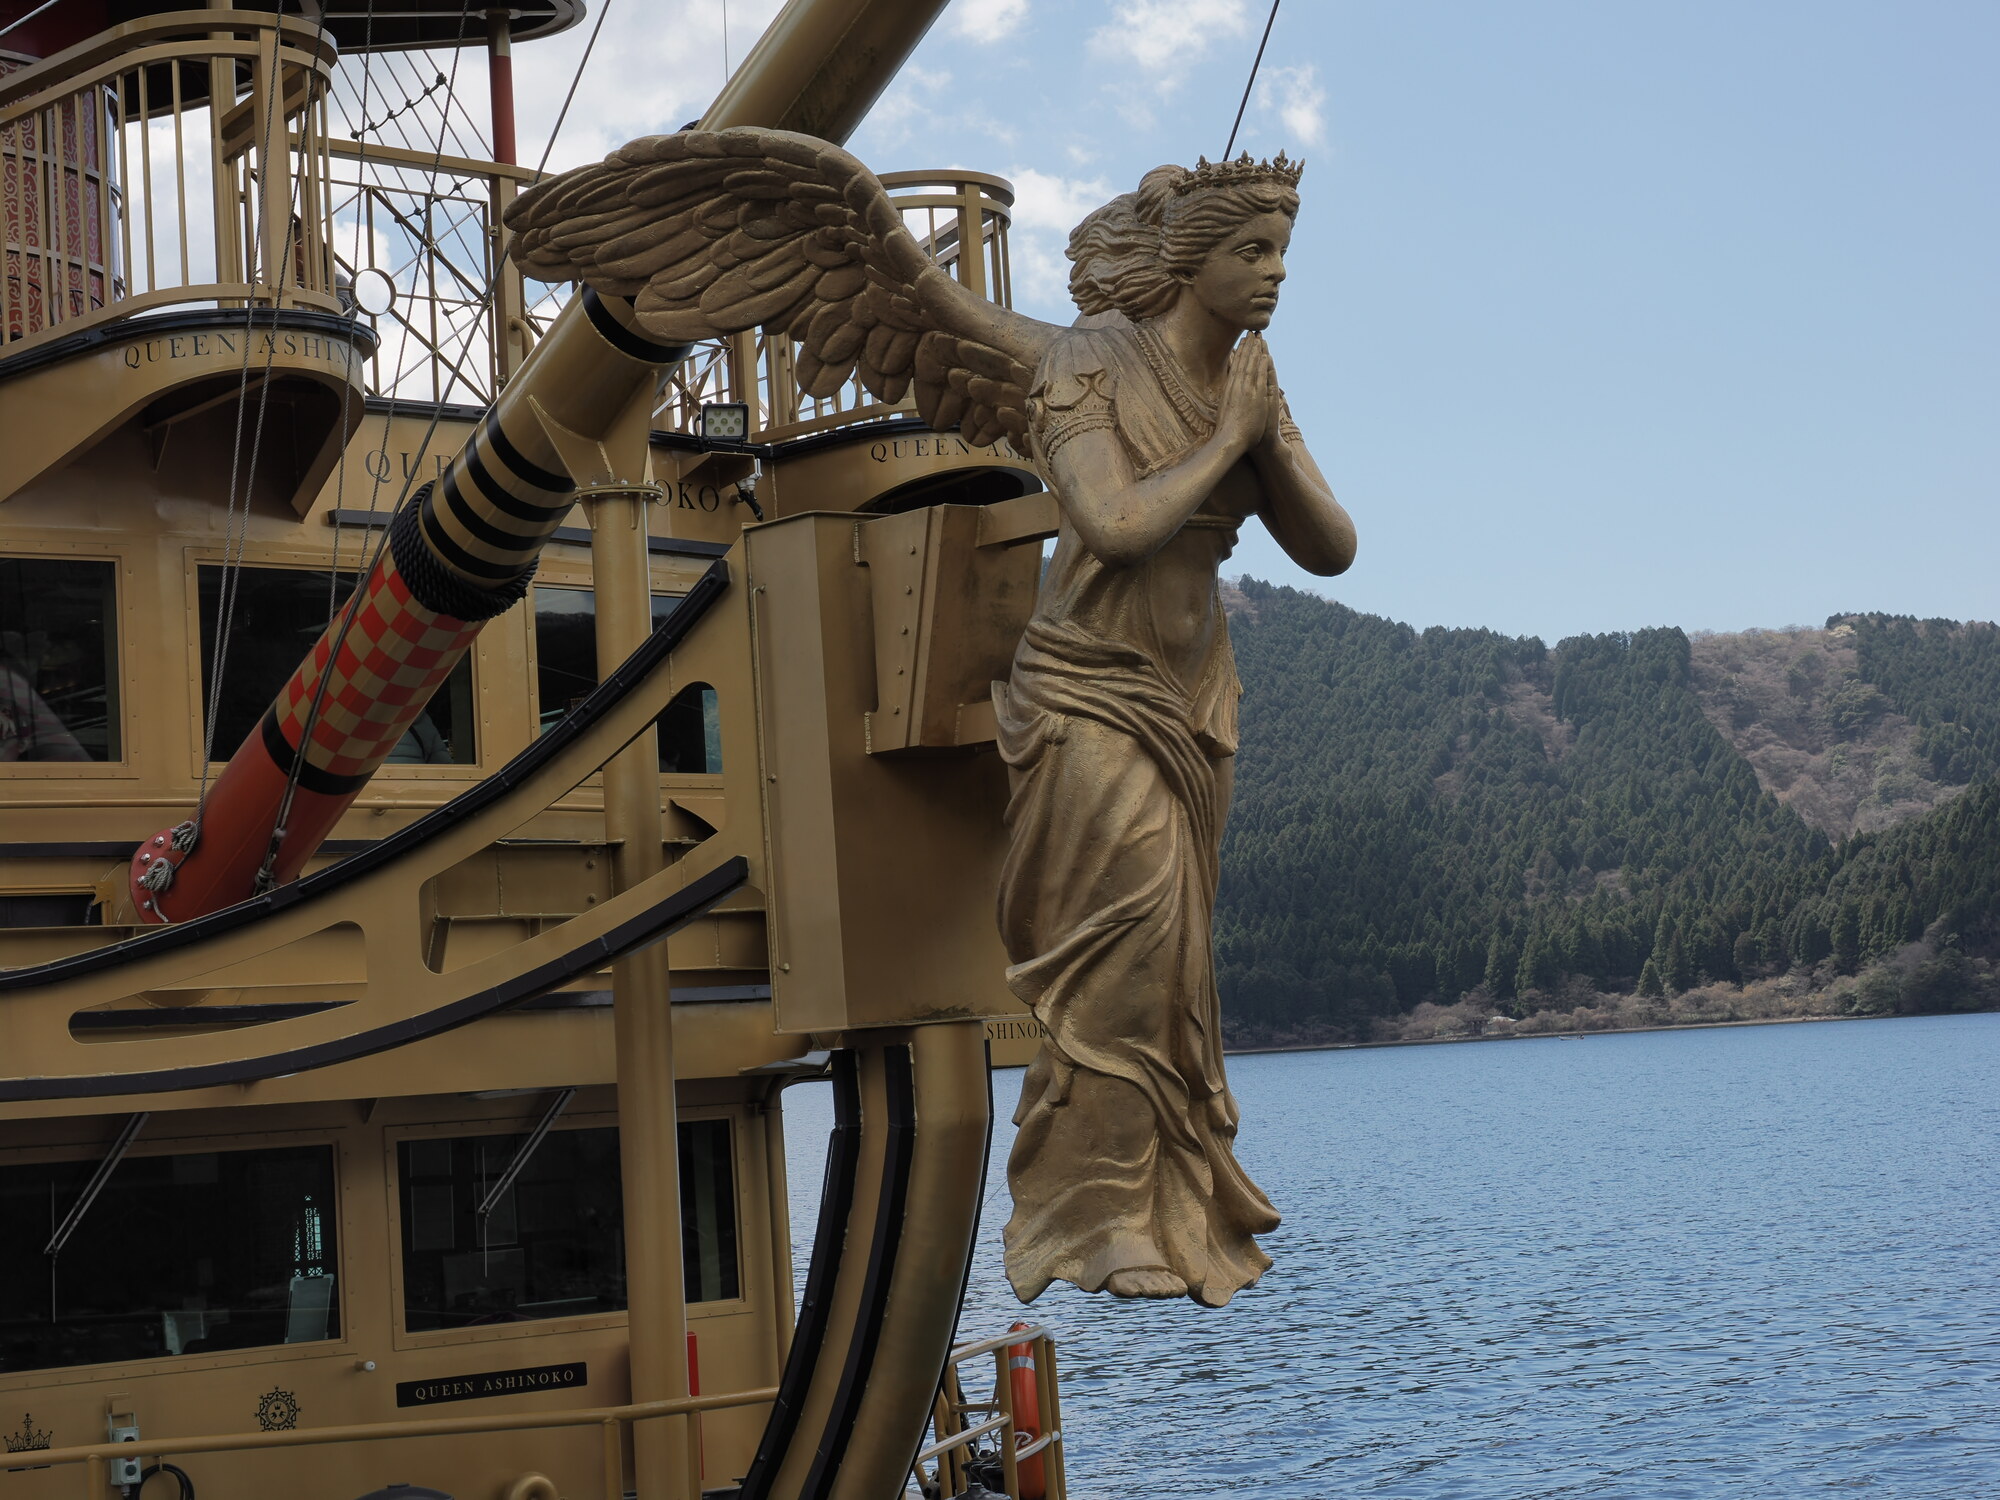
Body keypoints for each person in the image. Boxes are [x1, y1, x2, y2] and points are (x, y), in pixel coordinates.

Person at [995, 157, 1356, 1306]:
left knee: (1170, 973)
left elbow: (1330, 546)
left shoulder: (1248, 377)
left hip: (1193, 698)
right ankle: (1096, 1220)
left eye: (1282, 251)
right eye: (1252, 251)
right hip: (1088, 688)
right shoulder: (1085, 359)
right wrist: (1224, 440)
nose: (1275, 273)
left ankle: (1155, 1199)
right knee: (1124, 953)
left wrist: (1264, 432)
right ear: (1188, 259)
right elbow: (1107, 524)